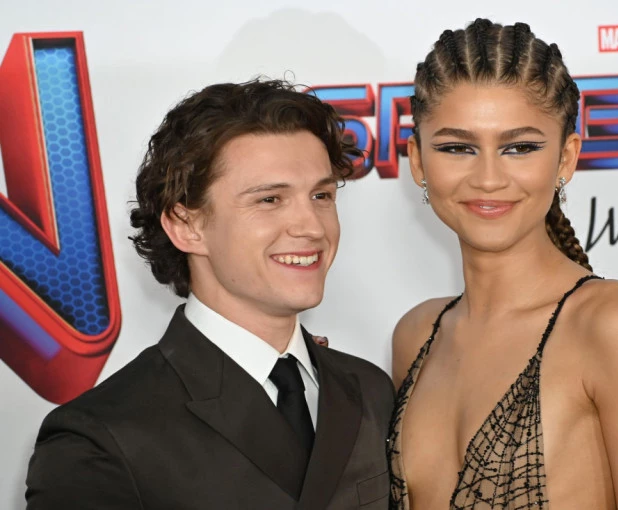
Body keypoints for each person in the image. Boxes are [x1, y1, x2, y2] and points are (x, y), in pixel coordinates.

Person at [26, 78, 394, 509]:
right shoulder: (100, 437)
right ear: (186, 226)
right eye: (270, 200)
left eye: (321, 195)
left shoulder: (370, 390)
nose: (312, 226)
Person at [387, 19, 618, 510]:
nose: (488, 178)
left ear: (566, 158)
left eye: (520, 147)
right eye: (457, 148)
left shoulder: (612, 325)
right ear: (418, 161)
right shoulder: (416, 335)